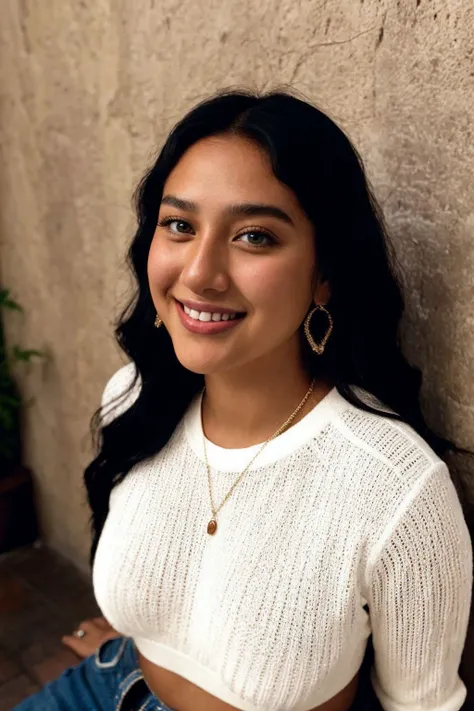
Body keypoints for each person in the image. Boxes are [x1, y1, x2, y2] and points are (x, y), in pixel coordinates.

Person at [15, 88, 473, 711]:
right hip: (109, 686)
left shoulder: (394, 489)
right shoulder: (135, 398)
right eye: (179, 225)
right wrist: (142, 634)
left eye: (254, 236)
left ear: (324, 274)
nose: (200, 273)